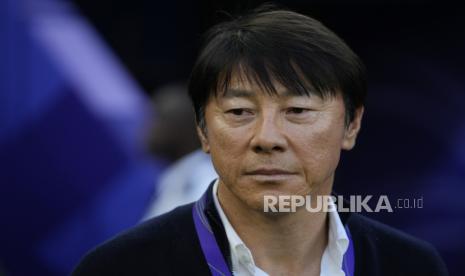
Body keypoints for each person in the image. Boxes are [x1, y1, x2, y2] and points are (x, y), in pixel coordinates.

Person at [73, 6, 448, 276]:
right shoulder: (121, 268)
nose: (267, 138)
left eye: (298, 111)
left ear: (351, 125)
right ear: (203, 129)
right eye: (239, 112)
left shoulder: (410, 265)